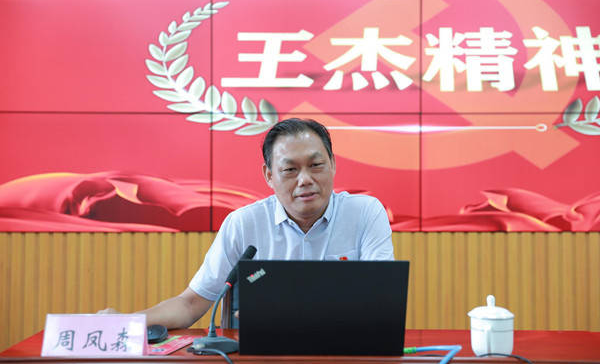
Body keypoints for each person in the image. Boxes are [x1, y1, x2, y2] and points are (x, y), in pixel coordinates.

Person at [99, 118, 393, 328]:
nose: (305, 180)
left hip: (342, 357)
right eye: (290, 170)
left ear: (333, 164)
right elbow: (191, 304)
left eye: (316, 165)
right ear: (269, 176)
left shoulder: (365, 213)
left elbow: (380, 302)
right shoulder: (244, 224)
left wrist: (286, 316)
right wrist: (127, 322)